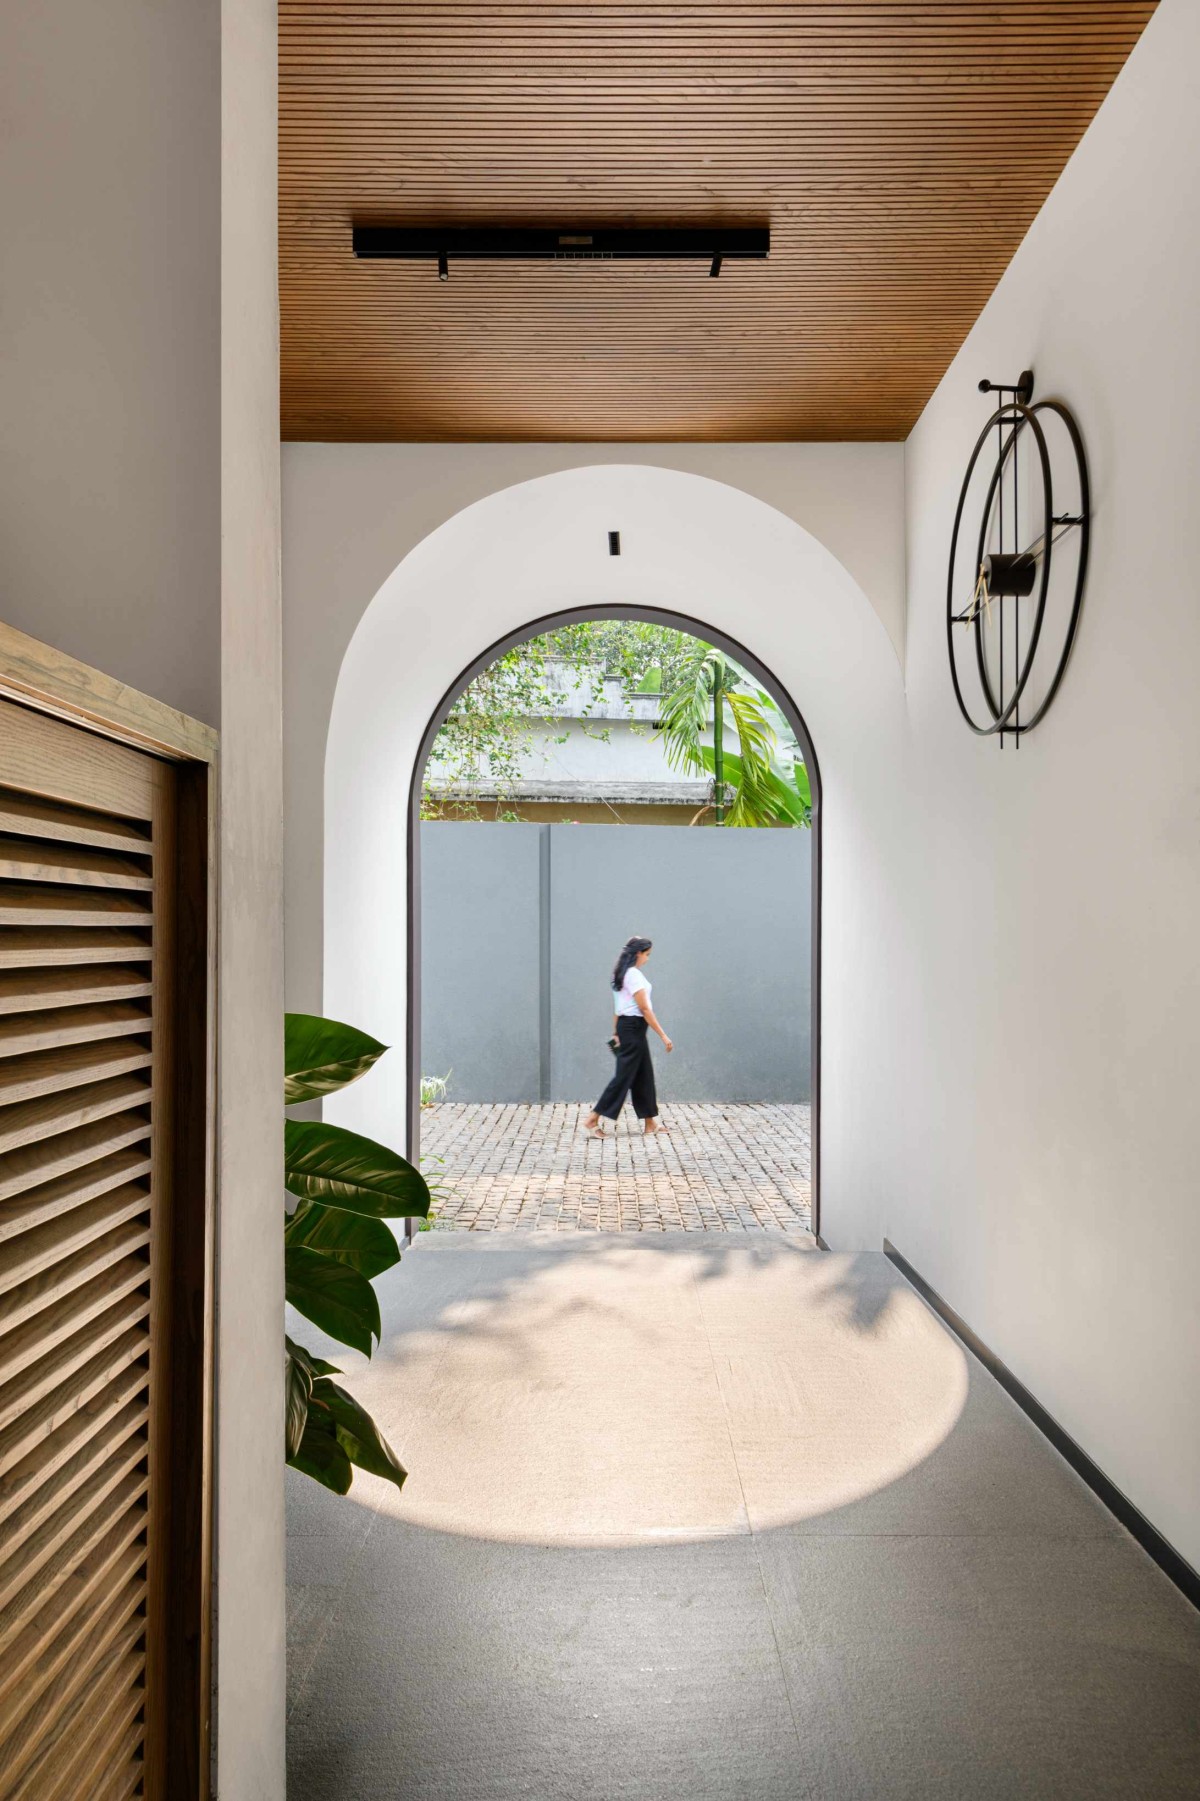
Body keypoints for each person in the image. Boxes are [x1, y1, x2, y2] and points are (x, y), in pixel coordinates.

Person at [583, 935, 673, 1137]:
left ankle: (650, 1123)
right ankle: (592, 1118)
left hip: (629, 1028)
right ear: (638, 953)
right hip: (633, 1027)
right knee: (623, 1077)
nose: (648, 959)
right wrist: (663, 1035)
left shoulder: (620, 974)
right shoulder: (633, 975)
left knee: (643, 1075)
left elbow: (618, 1007)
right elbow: (644, 1009)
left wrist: (616, 1032)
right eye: (647, 954)